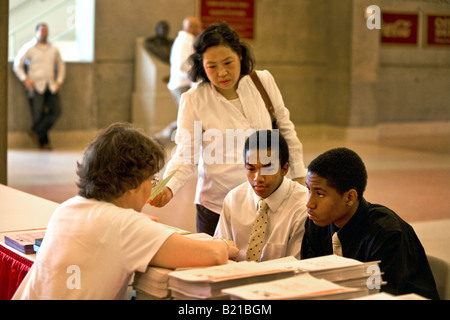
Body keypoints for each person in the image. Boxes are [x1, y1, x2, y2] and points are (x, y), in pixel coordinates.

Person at [12, 122, 238, 300]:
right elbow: (211, 255)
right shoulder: (124, 224)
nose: (152, 186)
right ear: (133, 183)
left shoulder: (67, 208)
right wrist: (224, 245)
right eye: (151, 179)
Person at [149, 22, 307, 236]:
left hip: (267, 198)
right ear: (201, 65)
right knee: (218, 265)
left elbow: (286, 131)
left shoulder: (262, 81)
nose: (222, 73)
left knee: (268, 262)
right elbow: (185, 155)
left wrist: (299, 178)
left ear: (240, 55)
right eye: (211, 66)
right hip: (217, 204)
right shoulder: (194, 99)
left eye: (228, 62)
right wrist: (167, 187)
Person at [301, 147, 440, 300]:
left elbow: (378, 296)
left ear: (349, 197)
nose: (309, 203)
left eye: (320, 193)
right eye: (308, 190)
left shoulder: (386, 234)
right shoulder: (316, 223)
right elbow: (308, 283)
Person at [214, 130, 308, 261]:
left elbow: (296, 266)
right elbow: (220, 250)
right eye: (251, 169)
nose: (258, 178)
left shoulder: (302, 206)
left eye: (267, 168)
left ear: (284, 169)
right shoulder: (234, 199)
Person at [13, 23, 65, 150]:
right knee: (38, 114)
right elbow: (17, 65)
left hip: (51, 85)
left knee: (56, 111)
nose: (43, 33)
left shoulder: (53, 49)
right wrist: (25, 79)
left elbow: (61, 66)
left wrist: (59, 81)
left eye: (45, 30)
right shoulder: (29, 48)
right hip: (35, 86)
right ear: (36, 32)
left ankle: (35, 132)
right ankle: (44, 143)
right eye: (41, 30)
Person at [153, 16, 202, 147]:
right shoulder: (184, 42)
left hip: (185, 84)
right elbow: (182, 65)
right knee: (189, 118)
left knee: (191, 118)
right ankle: (160, 139)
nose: (200, 29)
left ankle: (161, 139)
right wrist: (199, 73)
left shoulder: (188, 40)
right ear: (190, 27)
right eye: (197, 26)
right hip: (182, 85)